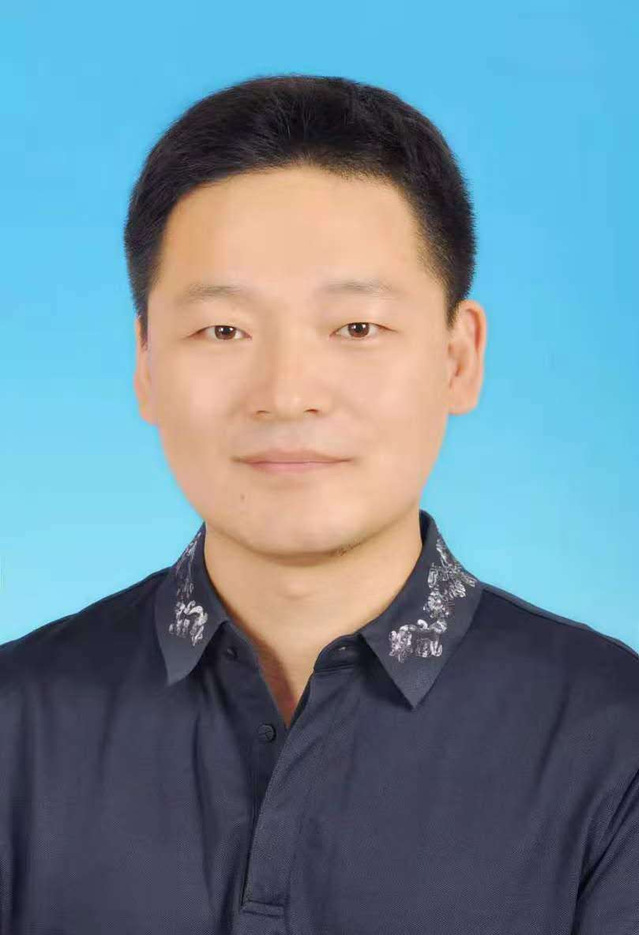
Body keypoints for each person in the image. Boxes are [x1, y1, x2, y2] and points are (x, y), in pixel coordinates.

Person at [1, 74, 637, 935]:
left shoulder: (613, 739)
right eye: (223, 330)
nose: (287, 393)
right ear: (146, 363)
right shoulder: (16, 724)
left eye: (355, 328)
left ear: (458, 357)